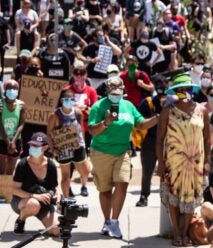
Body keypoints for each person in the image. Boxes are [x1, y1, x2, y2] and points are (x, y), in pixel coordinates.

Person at [88, 77, 158, 238]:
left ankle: (114, 221)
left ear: (123, 90)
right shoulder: (98, 106)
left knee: (122, 183)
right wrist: (106, 122)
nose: (116, 95)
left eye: (118, 91)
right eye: (113, 92)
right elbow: (92, 130)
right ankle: (106, 221)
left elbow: (140, 124)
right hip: (101, 152)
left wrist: (157, 118)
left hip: (123, 151)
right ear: (107, 91)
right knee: (105, 189)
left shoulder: (128, 106)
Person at [156, 73, 211, 247]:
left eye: (187, 89)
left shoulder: (202, 111)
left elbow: (207, 138)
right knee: (173, 195)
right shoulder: (168, 111)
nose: (184, 92)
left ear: (192, 91)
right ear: (175, 92)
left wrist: (208, 161)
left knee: (190, 197)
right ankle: (177, 233)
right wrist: (161, 163)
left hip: (195, 162)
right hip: (174, 161)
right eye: (180, 90)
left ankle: (186, 231)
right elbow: (159, 139)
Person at [10, 133, 60, 236]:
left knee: (57, 231)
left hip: (44, 203)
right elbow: (14, 189)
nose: (33, 148)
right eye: (32, 145)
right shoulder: (23, 164)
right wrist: (34, 196)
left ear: (45, 147)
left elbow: (55, 187)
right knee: (33, 204)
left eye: (37, 146)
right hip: (23, 201)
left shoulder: (51, 165)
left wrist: (56, 195)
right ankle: (21, 220)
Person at [47, 88, 90, 198]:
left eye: (71, 99)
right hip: (63, 149)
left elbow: (81, 129)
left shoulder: (78, 113)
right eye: (66, 99)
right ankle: (66, 198)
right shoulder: (55, 115)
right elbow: (49, 133)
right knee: (66, 176)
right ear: (61, 100)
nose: (69, 101)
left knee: (85, 171)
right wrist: (53, 149)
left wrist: (83, 144)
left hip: (78, 147)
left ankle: (84, 185)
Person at [136, 78, 168, 207]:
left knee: (167, 171)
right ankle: (144, 196)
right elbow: (139, 123)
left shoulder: (173, 104)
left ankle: (167, 198)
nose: (163, 97)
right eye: (160, 94)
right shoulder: (147, 103)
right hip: (149, 141)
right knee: (147, 171)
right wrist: (158, 116)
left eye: (165, 94)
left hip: (167, 141)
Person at [0, 79, 26, 175]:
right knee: (1, 171)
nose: (12, 90)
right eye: (9, 88)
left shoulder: (21, 105)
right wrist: (8, 142)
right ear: (5, 89)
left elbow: (21, 124)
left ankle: (7, 190)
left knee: (10, 171)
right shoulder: (1, 104)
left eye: (15, 88)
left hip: (16, 140)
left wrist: (13, 141)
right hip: (2, 140)